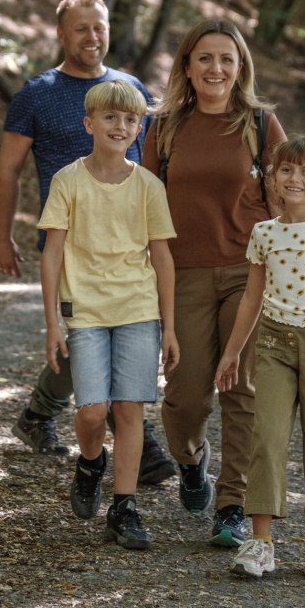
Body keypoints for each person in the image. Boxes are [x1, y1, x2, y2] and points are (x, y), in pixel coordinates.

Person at [0, 0, 178, 483]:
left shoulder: (129, 88)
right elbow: (7, 169)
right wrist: (0, 235)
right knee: (83, 338)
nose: (92, 37)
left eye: (99, 27)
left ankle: (38, 413)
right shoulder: (37, 93)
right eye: (80, 28)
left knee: (102, 338)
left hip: (125, 245)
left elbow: (150, 166)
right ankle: (137, 439)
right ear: (60, 34)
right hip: (68, 240)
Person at [141, 19, 288, 549]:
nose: (216, 68)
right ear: (187, 66)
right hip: (183, 275)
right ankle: (191, 459)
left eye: (227, 58)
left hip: (250, 273)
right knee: (183, 397)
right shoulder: (164, 128)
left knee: (243, 391)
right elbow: (144, 205)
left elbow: (289, 198)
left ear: (240, 67)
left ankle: (232, 507)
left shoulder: (261, 124)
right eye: (205, 58)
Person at [215, 136, 305, 580]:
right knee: (267, 438)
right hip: (275, 346)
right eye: (286, 170)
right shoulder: (264, 233)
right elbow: (251, 299)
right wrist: (231, 352)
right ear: (273, 179)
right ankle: (260, 543)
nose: (294, 179)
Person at [40, 79, 179, 549]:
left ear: (139, 129)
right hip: (86, 311)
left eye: (129, 120)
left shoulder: (148, 187)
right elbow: (51, 253)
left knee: (129, 407)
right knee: (92, 411)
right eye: (110, 118)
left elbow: (162, 259)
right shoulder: (67, 181)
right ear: (89, 124)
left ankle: (123, 507)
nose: (120, 126)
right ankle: (90, 461)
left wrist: (171, 327)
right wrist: (51, 322)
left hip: (138, 308)